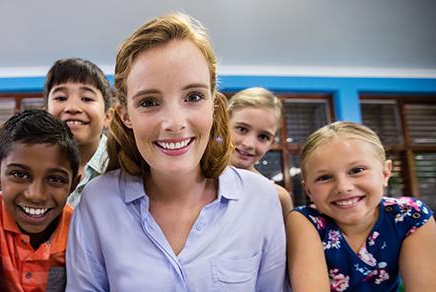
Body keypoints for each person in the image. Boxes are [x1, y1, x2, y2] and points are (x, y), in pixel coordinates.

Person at [66, 12, 287, 291]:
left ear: (212, 104)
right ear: (125, 115)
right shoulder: (96, 202)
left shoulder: (261, 200)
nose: (174, 123)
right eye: (148, 102)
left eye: (193, 97)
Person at [287, 121, 436, 291]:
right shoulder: (305, 221)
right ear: (308, 190)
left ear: (385, 173)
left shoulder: (410, 215)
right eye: (325, 177)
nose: (343, 187)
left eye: (357, 170)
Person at [0, 110, 80, 292]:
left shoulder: (77, 228)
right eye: (20, 175)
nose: (36, 195)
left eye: (55, 179)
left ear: (74, 184)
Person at [44, 57, 113, 207]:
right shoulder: (35, 164)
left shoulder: (124, 166)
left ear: (108, 116)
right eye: (61, 98)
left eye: (87, 99)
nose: (73, 107)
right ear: (46, 114)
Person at [228, 87, 293, 219]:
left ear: (271, 142)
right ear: (223, 124)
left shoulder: (277, 196)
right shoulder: (191, 179)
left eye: (263, 137)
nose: (249, 144)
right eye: (242, 129)